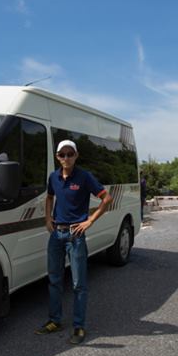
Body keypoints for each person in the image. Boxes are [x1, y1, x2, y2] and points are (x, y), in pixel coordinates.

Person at [36, 139, 113, 345]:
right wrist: (47, 218)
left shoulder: (84, 177)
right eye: (63, 154)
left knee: (79, 284)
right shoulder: (53, 177)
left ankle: (79, 326)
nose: (66, 158)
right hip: (57, 235)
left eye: (70, 154)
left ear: (76, 156)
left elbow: (107, 198)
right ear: (57, 157)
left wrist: (89, 221)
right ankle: (55, 321)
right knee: (54, 280)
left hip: (76, 236)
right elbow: (50, 197)